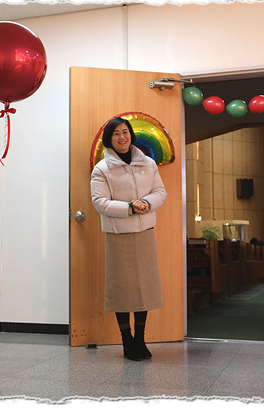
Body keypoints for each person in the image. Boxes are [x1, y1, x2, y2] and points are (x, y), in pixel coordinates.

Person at [90, 116, 167, 361]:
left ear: (131, 135)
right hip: (118, 235)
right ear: (109, 139)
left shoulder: (148, 163)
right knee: (122, 291)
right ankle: (127, 340)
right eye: (116, 134)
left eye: (125, 132)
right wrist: (130, 207)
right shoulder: (102, 169)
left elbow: (160, 191)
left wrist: (146, 203)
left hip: (145, 233)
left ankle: (140, 339)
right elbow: (100, 202)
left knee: (144, 289)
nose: (122, 137)